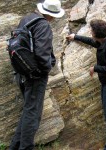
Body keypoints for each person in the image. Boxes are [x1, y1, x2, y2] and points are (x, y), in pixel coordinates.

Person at [9, 0, 65, 150]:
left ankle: (14, 146)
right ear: (52, 15)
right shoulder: (43, 25)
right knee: (33, 115)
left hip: (21, 72)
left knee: (28, 111)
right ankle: (25, 147)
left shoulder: (27, 19)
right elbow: (42, 55)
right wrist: (47, 68)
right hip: (35, 76)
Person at [66, 19, 106, 150]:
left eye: (92, 30)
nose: (90, 32)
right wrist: (76, 37)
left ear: (97, 33)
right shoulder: (103, 42)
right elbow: (91, 42)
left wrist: (95, 68)